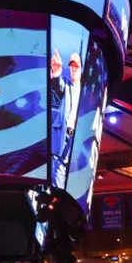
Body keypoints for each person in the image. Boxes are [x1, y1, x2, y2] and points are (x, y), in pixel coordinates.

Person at [49, 48, 82, 189]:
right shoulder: (66, 84)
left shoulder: (86, 90)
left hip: (77, 135)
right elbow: (57, 83)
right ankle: (58, 195)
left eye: (76, 66)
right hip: (63, 133)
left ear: (81, 69)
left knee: (73, 168)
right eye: (71, 66)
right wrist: (56, 69)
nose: (73, 69)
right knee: (58, 166)